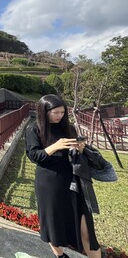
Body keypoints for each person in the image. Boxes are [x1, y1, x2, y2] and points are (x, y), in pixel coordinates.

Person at [26, 94, 100, 258]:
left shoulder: (69, 127)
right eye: (56, 113)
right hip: (50, 184)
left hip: (74, 181)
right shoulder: (34, 129)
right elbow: (33, 156)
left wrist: (80, 149)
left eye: (62, 112)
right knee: (54, 223)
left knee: (86, 228)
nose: (60, 116)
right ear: (44, 112)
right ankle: (60, 255)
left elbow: (75, 155)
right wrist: (54, 147)